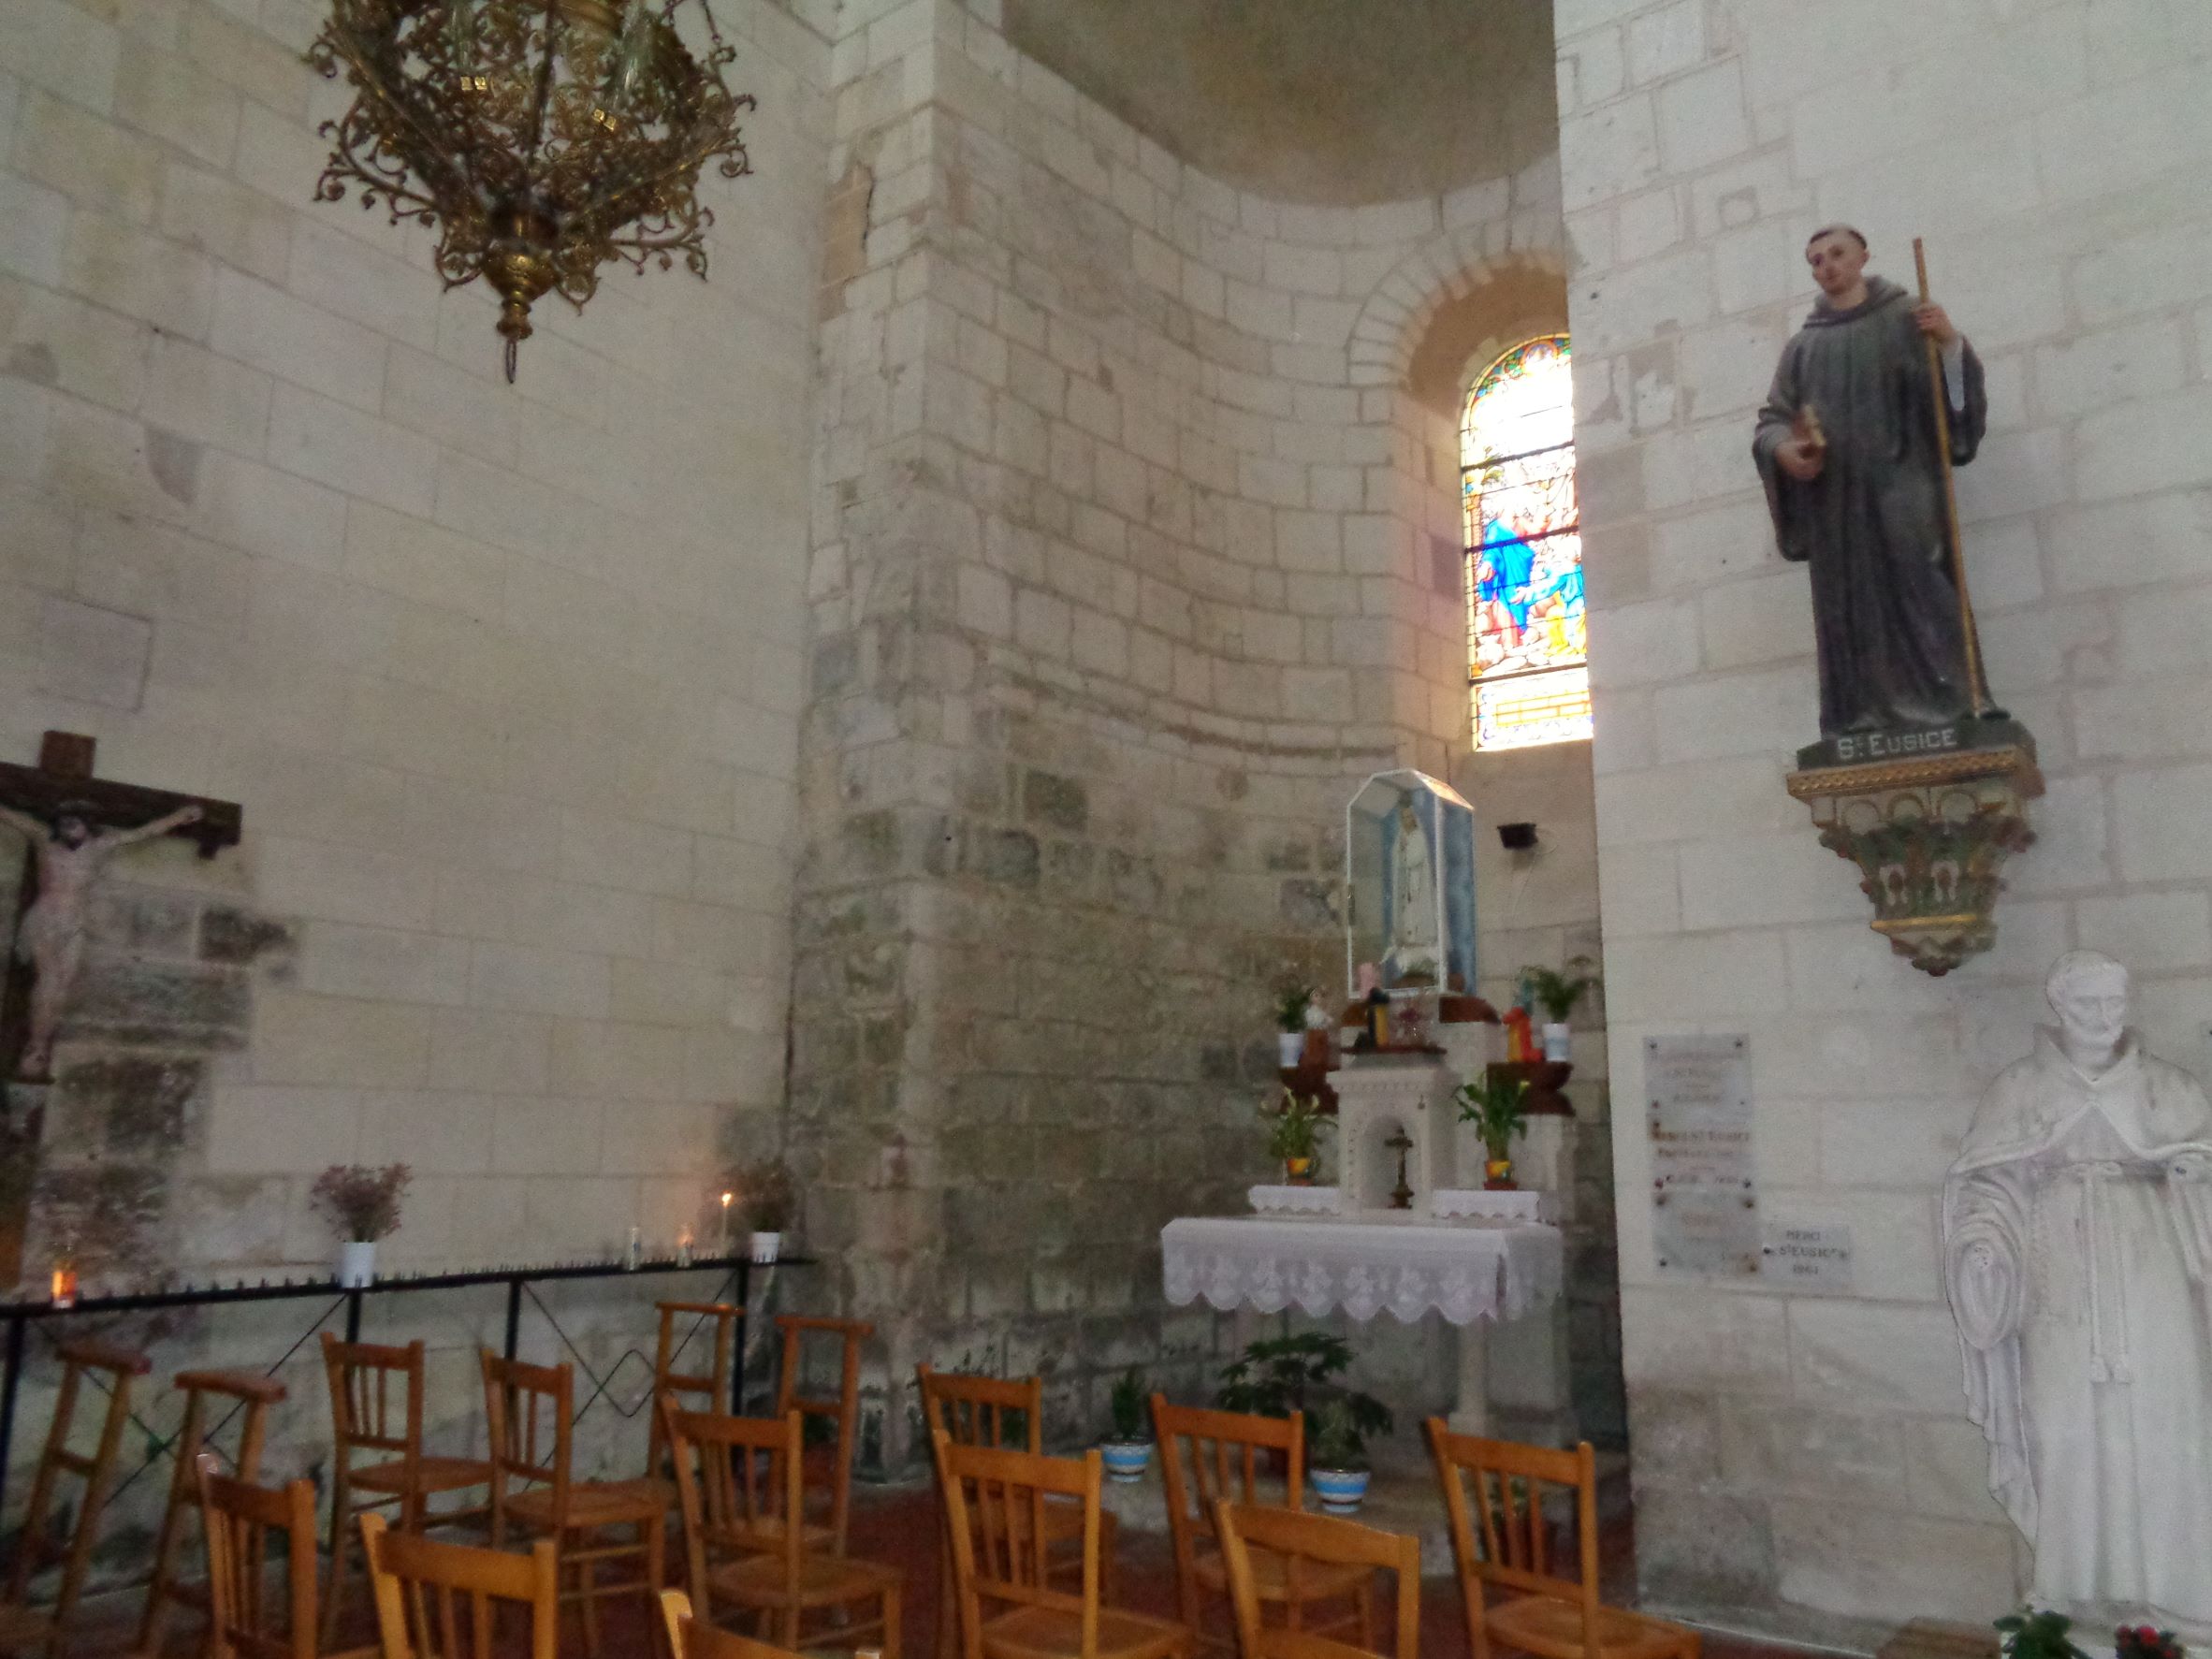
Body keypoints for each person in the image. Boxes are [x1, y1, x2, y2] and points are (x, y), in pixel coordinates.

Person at [1943, 952, 2212, 1623]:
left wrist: (2191, 1177)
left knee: (2167, 1424)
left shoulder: (2169, 1089)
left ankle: (2181, 1591)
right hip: (2056, 1274)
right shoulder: (2020, 1089)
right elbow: (1988, 1186)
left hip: (2154, 1274)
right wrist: (1983, 1246)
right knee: (2063, 1427)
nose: (2103, 1016)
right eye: (2087, 1003)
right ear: (2059, 1007)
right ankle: (2073, 1593)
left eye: (2114, 1002)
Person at [1754, 226, 1992, 737]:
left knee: (1922, 584)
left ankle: (1953, 707)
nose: (1827, 266)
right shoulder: (1803, 347)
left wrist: (1949, 344)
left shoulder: (1906, 320)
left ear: (1863, 256)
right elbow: (1773, 418)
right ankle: (1861, 718)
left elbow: (1949, 402)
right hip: (1837, 508)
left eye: (1837, 254)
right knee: (1851, 610)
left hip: (1902, 486)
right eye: (1815, 260)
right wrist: (1783, 450)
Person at [0, 799, 202, 1078]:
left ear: (87, 826)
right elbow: (9, 814)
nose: (69, 829)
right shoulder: (42, 838)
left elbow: (141, 833)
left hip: (75, 923)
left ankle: (42, 1042)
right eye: (64, 823)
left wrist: (178, 818)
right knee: (48, 979)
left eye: (75, 823)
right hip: (45, 919)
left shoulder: (100, 846)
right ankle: (35, 1045)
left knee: (63, 987)